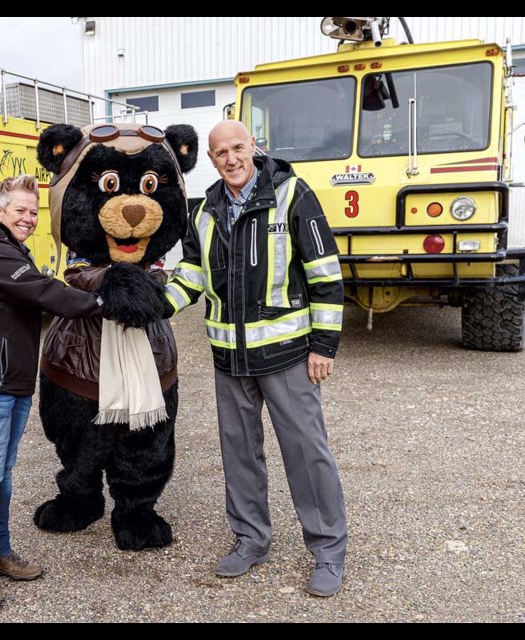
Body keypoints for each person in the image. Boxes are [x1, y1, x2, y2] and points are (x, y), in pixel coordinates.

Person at [163, 120, 348, 597]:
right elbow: (190, 275)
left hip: (287, 356)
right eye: (220, 152)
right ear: (212, 158)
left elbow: (325, 273)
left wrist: (323, 346)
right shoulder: (204, 212)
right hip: (229, 360)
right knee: (240, 457)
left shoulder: (292, 195)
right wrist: (154, 307)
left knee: (308, 456)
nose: (231, 159)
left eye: (238, 148)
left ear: (254, 148)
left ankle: (328, 552)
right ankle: (250, 540)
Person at [0, 175, 103, 609]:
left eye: (33, 212)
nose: (29, 219)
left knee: (1, 476)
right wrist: (103, 303)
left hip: (6, 380)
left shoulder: (8, 250)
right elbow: (44, 291)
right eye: (20, 211)